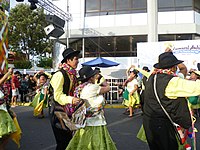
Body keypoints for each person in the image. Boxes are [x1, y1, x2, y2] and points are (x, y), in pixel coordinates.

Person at [141, 52, 200, 150]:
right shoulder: (172, 81)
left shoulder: (151, 77)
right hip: (163, 124)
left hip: (149, 122)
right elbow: (196, 88)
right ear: (173, 67)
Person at [66, 66, 117, 150]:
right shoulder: (92, 87)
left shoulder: (79, 88)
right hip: (95, 121)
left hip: (83, 120)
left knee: (83, 143)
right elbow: (108, 88)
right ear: (91, 77)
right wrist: (103, 80)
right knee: (97, 143)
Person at [50, 48, 81, 150]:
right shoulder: (59, 75)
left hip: (68, 110)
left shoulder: (72, 74)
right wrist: (71, 100)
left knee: (69, 140)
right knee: (63, 141)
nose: (78, 61)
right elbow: (57, 96)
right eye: (76, 59)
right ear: (68, 60)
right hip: (58, 111)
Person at [0, 68, 22, 149]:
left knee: (7, 134)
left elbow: (4, 101)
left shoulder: (3, 88)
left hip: (3, 112)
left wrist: (10, 111)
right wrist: (8, 73)